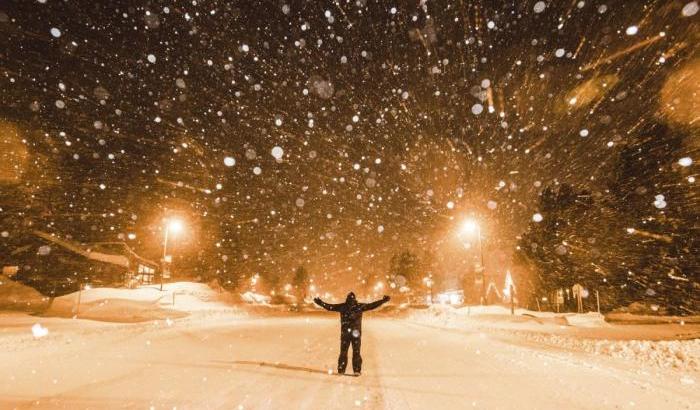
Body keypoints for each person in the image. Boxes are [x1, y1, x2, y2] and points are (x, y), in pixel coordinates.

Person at [314, 292, 390, 376]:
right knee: (356, 352)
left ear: (347, 299)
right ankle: (356, 370)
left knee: (343, 352)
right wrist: (383, 301)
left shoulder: (343, 307)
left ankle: (341, 369)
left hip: (345, 333)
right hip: (356, 333)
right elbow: (372, 305)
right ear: (354, 299)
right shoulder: (359, 307)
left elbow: (329, 307)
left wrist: (321, 303)